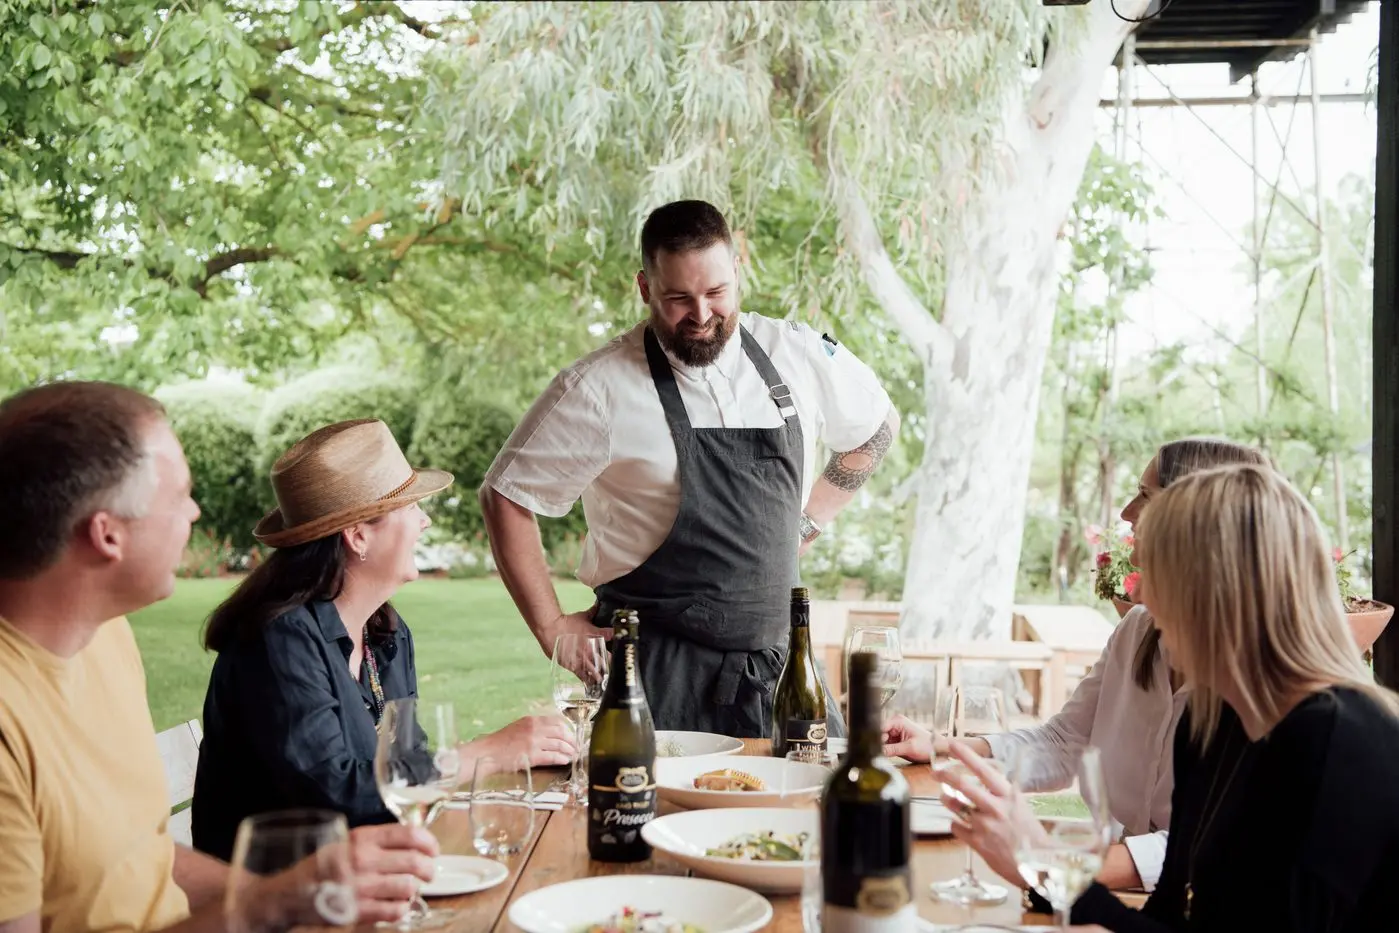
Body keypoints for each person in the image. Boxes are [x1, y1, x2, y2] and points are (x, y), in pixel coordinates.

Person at [0, 383, 436, 933]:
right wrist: (270, 903)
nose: (194, 511)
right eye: (179, 495)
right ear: (107, 534)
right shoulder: (8, 720)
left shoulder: (105, 640)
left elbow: (143, 856)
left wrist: (297, 897)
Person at [479, 199, 900, 737]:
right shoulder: (597, 387)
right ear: (645, 288)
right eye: (679, 298)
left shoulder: (794, 352)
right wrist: (551, 627)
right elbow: (506, 495)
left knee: (810, 817)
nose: (701, 315)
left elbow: (877, 427)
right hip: (653, 675)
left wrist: (808, 522)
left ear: (736, 274)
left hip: (780, 672)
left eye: (716, 293)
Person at [942, 464, 1399, 932]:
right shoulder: (1212, 723)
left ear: (1217, 591)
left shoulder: (1337, 744)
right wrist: (1044, 869)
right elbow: (1169, 918)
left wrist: (1040, 861)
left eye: (1157, 575)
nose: (1146, 600)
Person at [882, 438, 1269, 891]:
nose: (1126, 513)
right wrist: (942, 746)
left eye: (1145, 496)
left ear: (1198, 520)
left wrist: (1044, 864)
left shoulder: (1258, 683)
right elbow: (1066, 741)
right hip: (1104, 887)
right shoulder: (1139, 631)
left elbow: (1208, 849)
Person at [192, 419, 576, 861]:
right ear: (357, 535)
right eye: (411, 507)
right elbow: (333, 797)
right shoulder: (278, 642)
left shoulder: (384, 633)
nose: (425, 520)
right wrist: (485, 753)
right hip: (279, 899)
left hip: (361, 872)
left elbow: (406, 766)